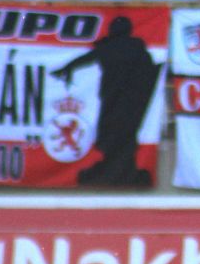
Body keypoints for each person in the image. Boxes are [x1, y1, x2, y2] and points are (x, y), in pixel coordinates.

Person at [51, 16, 161, 187]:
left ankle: (123, 170)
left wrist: (66, 69)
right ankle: (117, 168)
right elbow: (150, 70)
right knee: (122, 132)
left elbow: (86, 59)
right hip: (128, 101)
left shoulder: (112, 48)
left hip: (118, 99)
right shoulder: (136, 48)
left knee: (114, 131)